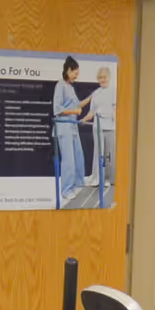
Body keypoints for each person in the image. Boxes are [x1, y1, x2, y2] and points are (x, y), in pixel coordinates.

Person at [51, 56, 85, 206]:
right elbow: (57, 109)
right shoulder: (60, 85)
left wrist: (92, 97)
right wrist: (74, 111)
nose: (76, 76)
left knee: (78, 157)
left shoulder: (70, 87)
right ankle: (66, 190)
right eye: (75, 73)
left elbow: (78, 105)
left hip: (73, 126)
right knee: (69, 161)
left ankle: (77, 185)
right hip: (64, 126)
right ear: (68, 70)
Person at [81, 66, 115, 198]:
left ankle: (108, 179)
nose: (102, 80)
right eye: (100, 78)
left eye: (104, 77)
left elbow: (115, 109)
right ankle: (96, 178)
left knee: (109, 154)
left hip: (110, 127)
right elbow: (91, 112)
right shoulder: (96, 93)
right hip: (98, 126)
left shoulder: (113, 91)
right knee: (98, 152)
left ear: (109, 77)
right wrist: (84, 119)